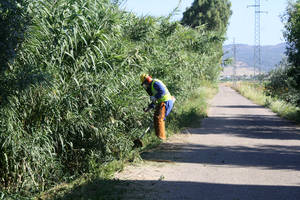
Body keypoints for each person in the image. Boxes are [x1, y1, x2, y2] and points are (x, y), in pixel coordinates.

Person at [140, 74, 175, 140]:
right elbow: (155, 101)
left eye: (145, 84)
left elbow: (162, 91)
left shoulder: (155, 83)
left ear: (147, 81)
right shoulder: (151, 87)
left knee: (159, 119)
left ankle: (161, 138)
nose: (145, 86)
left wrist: (155, 97)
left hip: (166, 102)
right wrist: (149, 107)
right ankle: (159, 138)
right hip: (162, 102)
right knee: (156, 118)